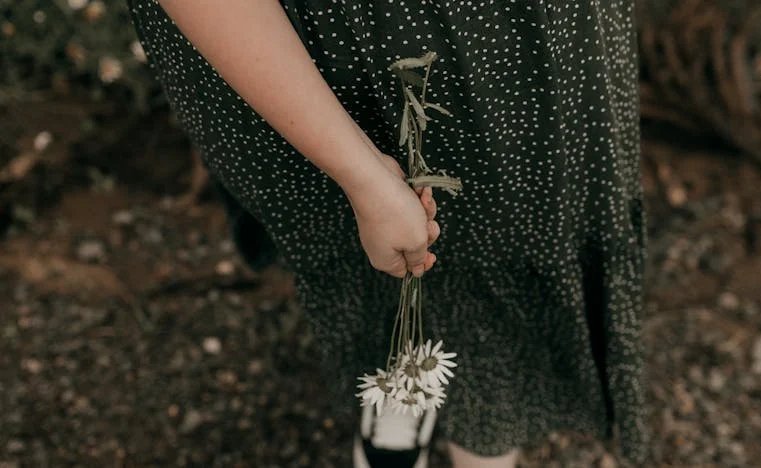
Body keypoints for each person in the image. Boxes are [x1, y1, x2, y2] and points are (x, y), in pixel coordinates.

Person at [127, 1, 649, 466]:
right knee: (355, 232)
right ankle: (400, 375)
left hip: (507, 35)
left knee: (511, 222)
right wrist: (362, 175)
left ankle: (488, 430)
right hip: (299, 42)